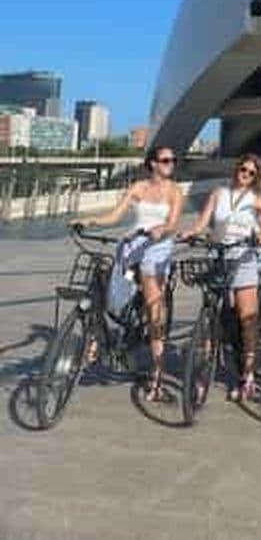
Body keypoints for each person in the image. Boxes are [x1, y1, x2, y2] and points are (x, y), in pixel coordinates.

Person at [77, 145, 183, 400]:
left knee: (153, 308)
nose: (171, 164)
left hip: (158, 246)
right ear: (153, 164)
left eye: (173, 160)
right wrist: (90, 221)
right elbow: (115, 216)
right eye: (166, 160)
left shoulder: (174, 190)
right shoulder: (138, 188)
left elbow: (173, 223)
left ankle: (156, 375)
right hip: (134, 243)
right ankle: (100, 338)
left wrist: (161, 230)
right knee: (107, 286)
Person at [183, 153, 261, 400]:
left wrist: (259, 239)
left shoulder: (257, 199)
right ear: (236, 169)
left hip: (243, 259)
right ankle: (204, 370)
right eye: (242, 169)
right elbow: (202, 223)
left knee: (247, 319)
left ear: (256, 177)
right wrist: (188, 233)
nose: (245, 174)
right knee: (212, 315)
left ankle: (248, 375)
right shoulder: (218, 193)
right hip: (218, 256)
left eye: (251, 172)